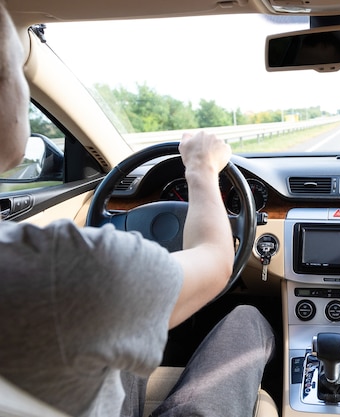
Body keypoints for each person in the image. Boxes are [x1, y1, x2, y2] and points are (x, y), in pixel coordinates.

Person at [0, 3, 275, 416]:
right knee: (250, 319)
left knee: (123, 340)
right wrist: (201, 168)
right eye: (20, 70)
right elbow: (217, 260)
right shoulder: (62, 269)